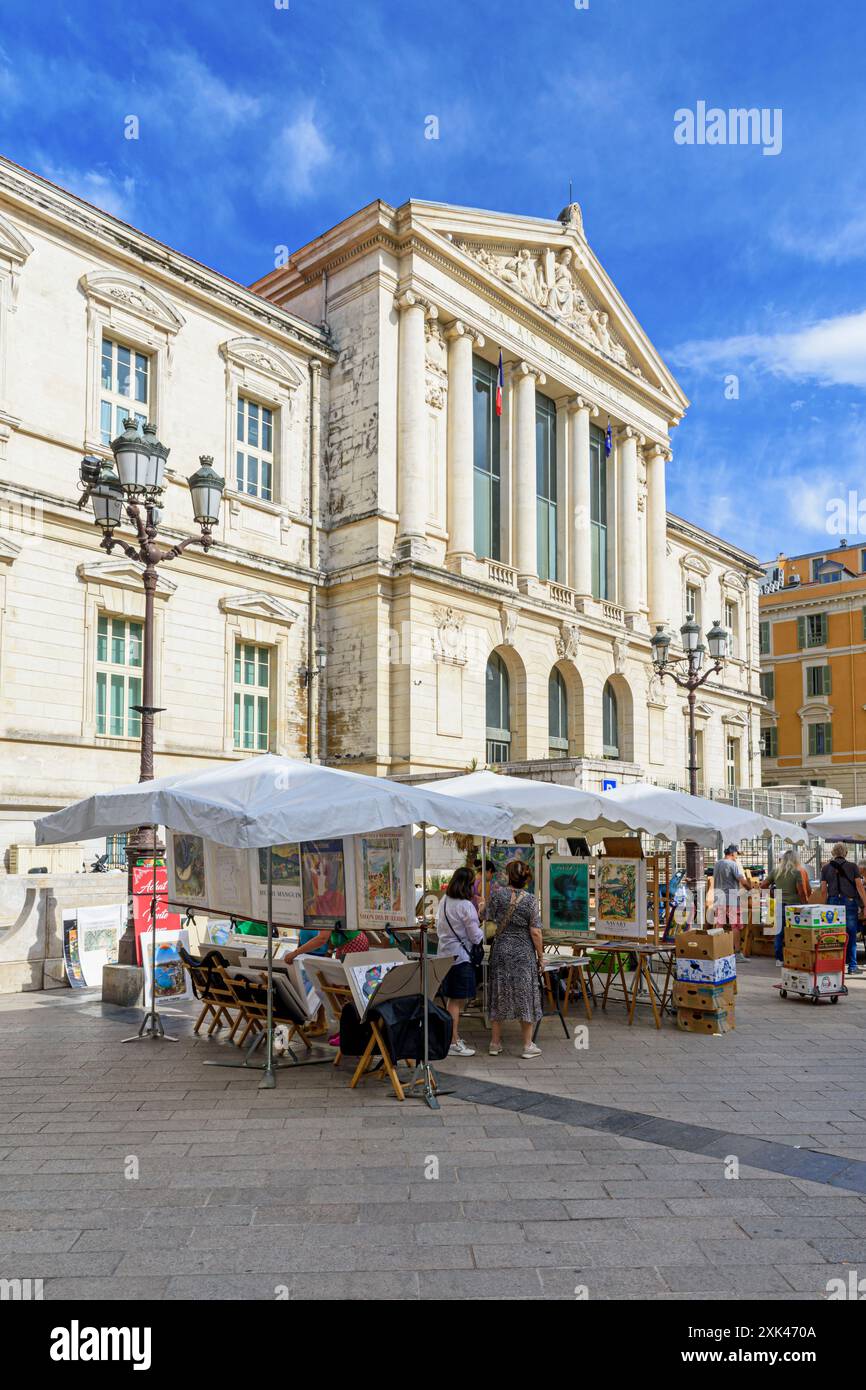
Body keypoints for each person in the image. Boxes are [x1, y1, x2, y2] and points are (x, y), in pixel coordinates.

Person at [486, 859, 544, 1059]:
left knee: (499, 993)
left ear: (509, 876)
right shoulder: (530, 900)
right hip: (523, 953)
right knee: (525, 994)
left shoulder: (497, 896)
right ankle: (528, 1045)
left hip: (501, 950)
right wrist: (541, 956)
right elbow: (535, 932)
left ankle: (495, 1043)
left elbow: (487, 917)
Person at [435, 866, 484, 1058]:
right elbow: (475, 937)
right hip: (461, 958)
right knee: (456, 1000)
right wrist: (481, 920)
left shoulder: (444, 901)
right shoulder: (465, 906)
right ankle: (453, 1042)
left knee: (451, 999)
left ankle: (452, 1037)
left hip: (445, 954)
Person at [820, 843, 866, 975]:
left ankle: (834, 965)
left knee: (833, 934)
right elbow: (859, 887)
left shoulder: (826, 868)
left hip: (832, 903)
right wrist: (865, 905)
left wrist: (823, 907)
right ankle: (852, 967)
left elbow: (823, 890)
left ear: (833, 853)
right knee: (850, 934)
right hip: (849, 902)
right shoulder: (853, 866)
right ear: (845, 853)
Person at [761, 849, 810, 966]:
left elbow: (763, 885)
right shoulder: (797, 872)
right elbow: (801, 891)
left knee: (779, 933)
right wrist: (806, 905)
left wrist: (772, 894)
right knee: (796, 932)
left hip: (779, 905)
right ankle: (795, 957)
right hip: (794, 906)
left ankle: (779, 959)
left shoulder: (776, 871)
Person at [712, 845, 747, 954]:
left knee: (719, 924)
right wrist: (752, 889)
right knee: (735, 925)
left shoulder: (717, 864)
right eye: (737, 853)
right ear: (732, 853)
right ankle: (737, 953)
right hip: (731, 899)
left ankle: (717, 949)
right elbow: (742, 880)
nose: (737, 856)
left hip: (719, 898)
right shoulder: (733, 864)